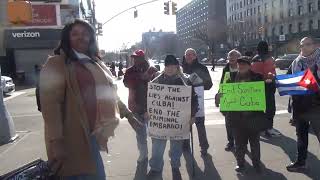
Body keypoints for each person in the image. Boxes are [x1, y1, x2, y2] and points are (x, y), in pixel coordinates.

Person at [40, 19, 137, 179]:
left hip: (92, 134)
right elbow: (50, 105)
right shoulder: (57, 63)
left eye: (85, 34)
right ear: (67, 38)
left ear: (91, 38)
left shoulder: (96, 63)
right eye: (75, 34)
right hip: (70, 136)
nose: (81, 37)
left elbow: (109, 93)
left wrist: (128, 114)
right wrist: (56, 141)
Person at [147, 55, 198, 180]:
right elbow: (149, 98)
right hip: (160, 121)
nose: (170, 69)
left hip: (178, 121)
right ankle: (155, 168)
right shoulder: (156, 81)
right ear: (165, 67)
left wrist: (193, 115)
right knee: (158, 145)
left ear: (177, 67)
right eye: (168, 66)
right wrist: (148, 111)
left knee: (176, 145)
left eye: (173, 66)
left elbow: (194, 99)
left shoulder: (186, 81)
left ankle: (175, 166)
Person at [228, 56, 269, 173]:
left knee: (255, 144)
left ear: (249, 65)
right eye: (239, 64)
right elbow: (224, 94)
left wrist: (270, 83)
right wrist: (218, 97)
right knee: (239, 145)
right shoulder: (231, 78)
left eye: (244, 64)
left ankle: (257, 164)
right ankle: (240, 164)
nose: (241, 66)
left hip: (253, 118)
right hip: (237, 118)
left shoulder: (258, 78)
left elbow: (267, 94)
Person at [286, 37, 320, 172]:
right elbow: (288, 81)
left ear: (314, 45)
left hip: (318, 106)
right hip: (301, 107)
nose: (304, 47)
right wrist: (272, 79)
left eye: (308, 44)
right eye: (302, 45)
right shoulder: (296, 62)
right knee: (301, 136)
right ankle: (301, 162)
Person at [123, 49, 159, 164]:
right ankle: (143, 154)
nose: (135, 60)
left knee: (154, 134)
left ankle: (155, 158)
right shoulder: (130, 71)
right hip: (136, 107)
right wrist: (142, 77)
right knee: (140, 134)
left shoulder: (151, 69)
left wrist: (153, 75)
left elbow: (159, 86)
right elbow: (126, 83)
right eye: (134, 58)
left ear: (143, 58)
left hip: (151, 107)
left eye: (138, 58)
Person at [251, 41, 281, 137]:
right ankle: (268, 128)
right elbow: (270, 74)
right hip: (268, 86)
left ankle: (260, 128)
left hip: (256, 87)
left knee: (259, 108)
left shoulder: (254, 59)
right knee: (270, 108)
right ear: (267, 48)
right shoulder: (269, 58)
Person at [216, 49, 241, 151]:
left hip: (241, 99)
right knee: (229, 122)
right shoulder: (226, 69)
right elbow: (222, 83)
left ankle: (240, 142)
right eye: (229, 57)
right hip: (229, 100)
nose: (231, 59)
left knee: (240, 123)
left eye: (233, 57)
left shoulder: (243, 67)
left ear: (238, 58)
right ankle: (231, 142)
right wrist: (219, 94)